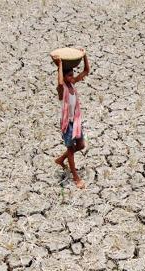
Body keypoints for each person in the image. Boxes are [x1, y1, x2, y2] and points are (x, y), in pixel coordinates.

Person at [54, 49, 90, 189]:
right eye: (68, 75)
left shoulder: (73, 84)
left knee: (81, 145)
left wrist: (84, 55)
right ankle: (75, 177)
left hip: (75, 122)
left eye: (72, 74)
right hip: (67, 124)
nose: (71, 77)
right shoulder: (62, 89)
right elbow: (59, 81)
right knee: (70, 149)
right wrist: (60, 65)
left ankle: (61, 159)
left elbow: (86, 71)